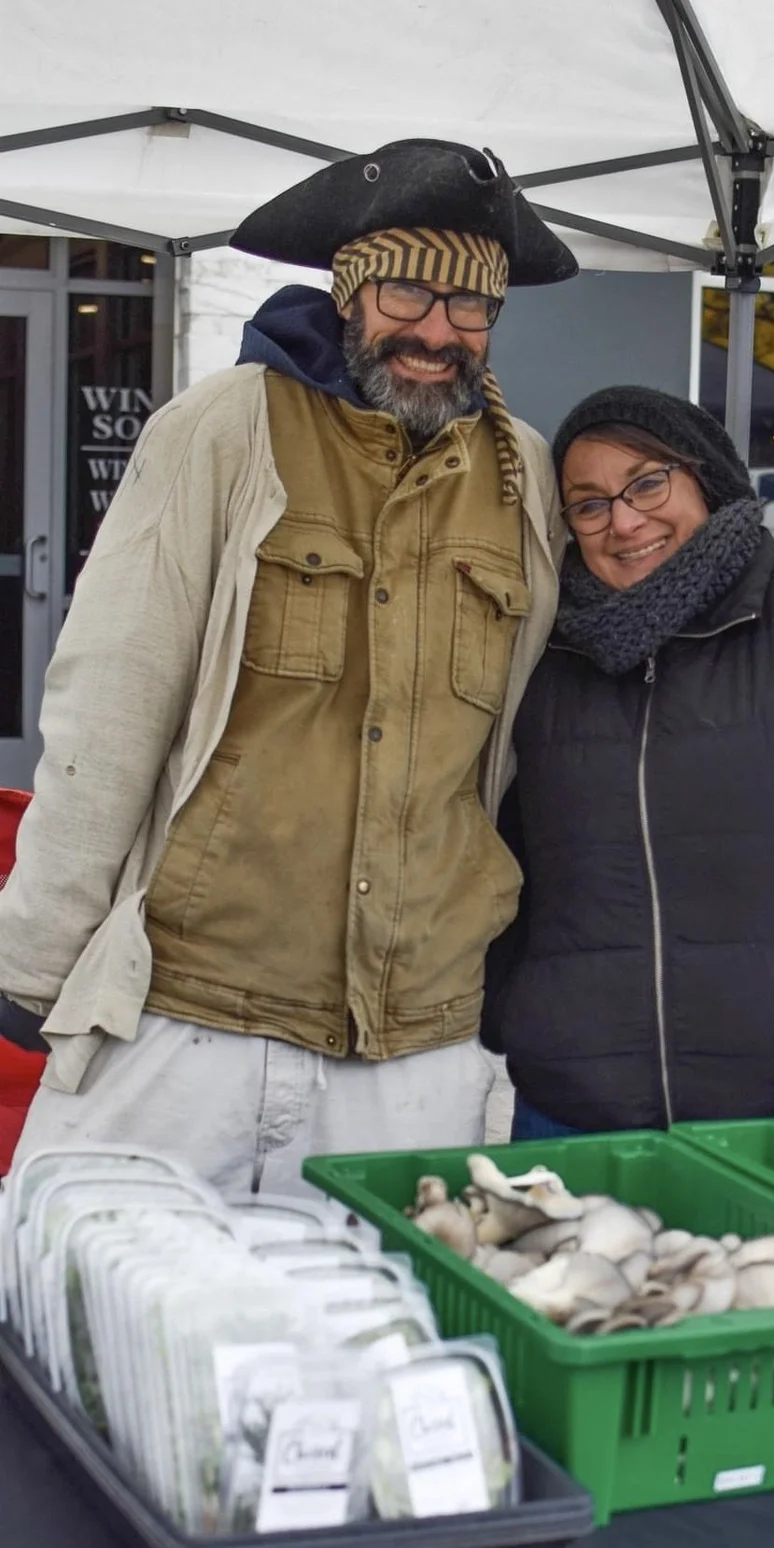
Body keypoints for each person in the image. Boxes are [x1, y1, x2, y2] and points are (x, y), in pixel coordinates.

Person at [0, 139, 579, 1190]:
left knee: (384, 1338)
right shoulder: (223, 430)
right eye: (410, 291)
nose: (437, 333)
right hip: (196, 1005)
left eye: (471, 310)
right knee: (98, 1317)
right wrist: (39, 953)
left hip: (421, 1033)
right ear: (352, 290)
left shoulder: (522, 472)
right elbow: (111, 699)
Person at [482, 387, 774, 1139]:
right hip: (577, 1105)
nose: (624, 520)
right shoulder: (546, 655)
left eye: (647, 482)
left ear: (708, 478)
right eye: (589, 503)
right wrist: (516, 1004)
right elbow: (501, 840)